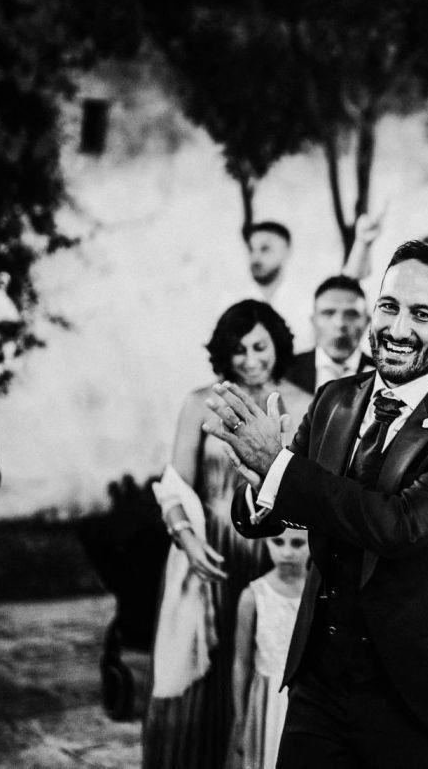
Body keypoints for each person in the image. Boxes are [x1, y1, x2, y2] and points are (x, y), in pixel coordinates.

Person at [212, 240, 428, 768]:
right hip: (320, 686)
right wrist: (262, 488)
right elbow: (291, 502)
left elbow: (400, 526)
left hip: (422, 697)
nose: (398, 328)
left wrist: (279, 468)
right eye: (389, 306)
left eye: (422, 315)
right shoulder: (334, 399)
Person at [144, 300, 311, 769]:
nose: (250, 359)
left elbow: (309, 488)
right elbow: (175, 485)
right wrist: (187, 541)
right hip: (210, 553)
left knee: (257, 669)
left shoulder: (304, 403)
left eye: (260, 346)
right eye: (238, 349)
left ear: (279, 345)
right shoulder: (201, 402)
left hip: (272, 553)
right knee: (201, 678)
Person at [229, 529, 309, 769]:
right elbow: (241, 661)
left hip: (305, 700)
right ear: (266, 541)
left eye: (297, 543)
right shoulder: (253, 596)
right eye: (278, 542)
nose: (287, 552)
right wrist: (240, 717)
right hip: (267, 700)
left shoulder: (318, 594)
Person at [286, 276, 370, 394]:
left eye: (351, 314)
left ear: (367, 322)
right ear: (314, 321)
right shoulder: (285, 372)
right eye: (328, 313)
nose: (340, 324)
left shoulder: (384, 376)